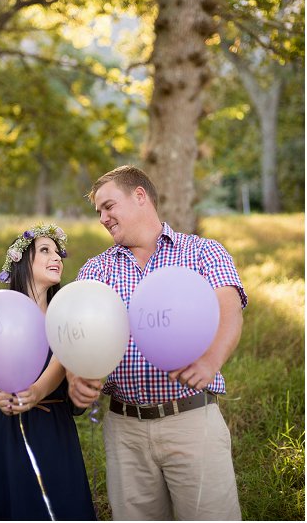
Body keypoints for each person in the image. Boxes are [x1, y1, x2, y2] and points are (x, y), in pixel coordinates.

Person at [67, 165, 246, 521]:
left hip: (191, 419)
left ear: (139, 196)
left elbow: (230, 310)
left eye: (108, 206)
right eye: (98, 212)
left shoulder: (202, 252)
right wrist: (77, 375)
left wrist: (210, 361)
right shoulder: (95, 269)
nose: (103, 218)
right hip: (124, 429)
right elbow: (76, 331)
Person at [0, 223, 97, 521]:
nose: (57, 258)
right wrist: (2, 392)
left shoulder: (66, 316)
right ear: (24, 262)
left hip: (51, 427)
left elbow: (65, 363)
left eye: (58, 252)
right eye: (45, 251)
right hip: (0, 426)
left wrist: (37, 391)